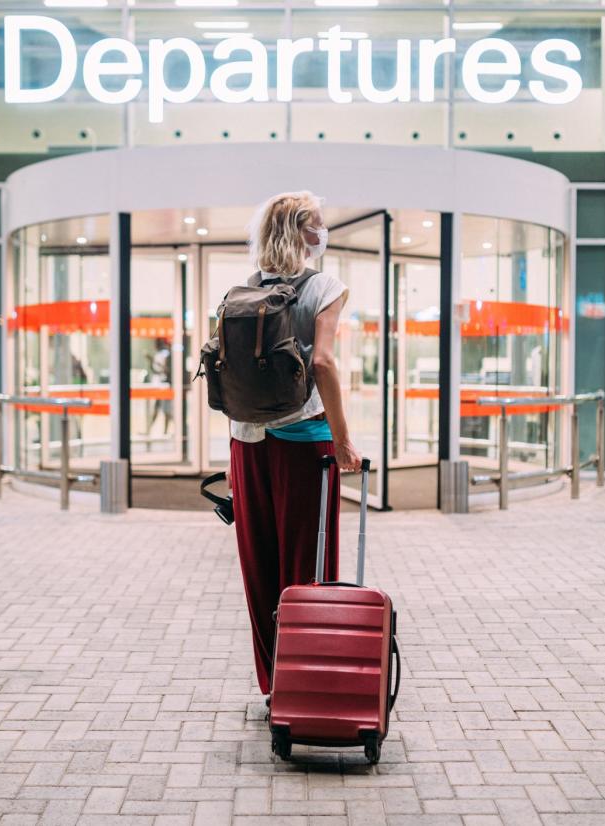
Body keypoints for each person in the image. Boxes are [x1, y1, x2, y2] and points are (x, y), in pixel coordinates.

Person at [227, 191, 360, 702]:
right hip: (304, 441)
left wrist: (233, 461)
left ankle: (272, 685)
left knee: (259, 568)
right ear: (302, 233)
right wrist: (344, 441)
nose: (323, 233)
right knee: (307, 566)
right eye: (318, 225)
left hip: (248, 442)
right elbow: (323, 363)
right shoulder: (325, 285)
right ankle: (307, 683)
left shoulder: (245, 288)